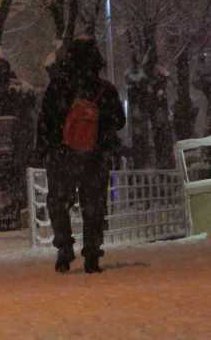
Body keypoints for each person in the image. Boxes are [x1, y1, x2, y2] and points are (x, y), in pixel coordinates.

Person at [35, 37, 126, 274]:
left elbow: (45, 121)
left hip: (62, 155)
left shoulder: (57, 88)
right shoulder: (104, 90)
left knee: (58, 202)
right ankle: (92, 254)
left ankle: (64, 248)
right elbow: (119, 121)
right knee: (94, 205)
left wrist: (47, 148)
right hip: (95, 157)